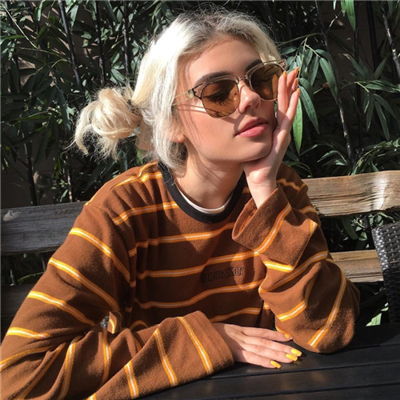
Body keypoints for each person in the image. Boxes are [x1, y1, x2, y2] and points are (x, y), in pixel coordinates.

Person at [0, 8, 360, 400]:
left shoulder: (278, 190)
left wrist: (264, 193)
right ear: (171, 124)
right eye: (219, 93)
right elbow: (17, 376)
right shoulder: (125, 209)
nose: (251, 98)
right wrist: (206, 341)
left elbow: (328, 330)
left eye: (260, 79)